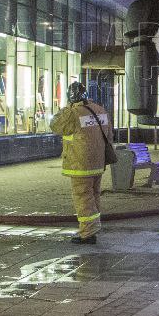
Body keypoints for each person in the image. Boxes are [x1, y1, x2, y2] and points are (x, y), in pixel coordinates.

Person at [50, 81, 113, 244]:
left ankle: (87, 232)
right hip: (98, 163)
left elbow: (55, 125)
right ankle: (94, 226)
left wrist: (67, 107)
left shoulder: (73, 113)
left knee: (83, 197)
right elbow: (109, 135)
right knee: (94, 195)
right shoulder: (99, 110)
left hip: (80, 163)